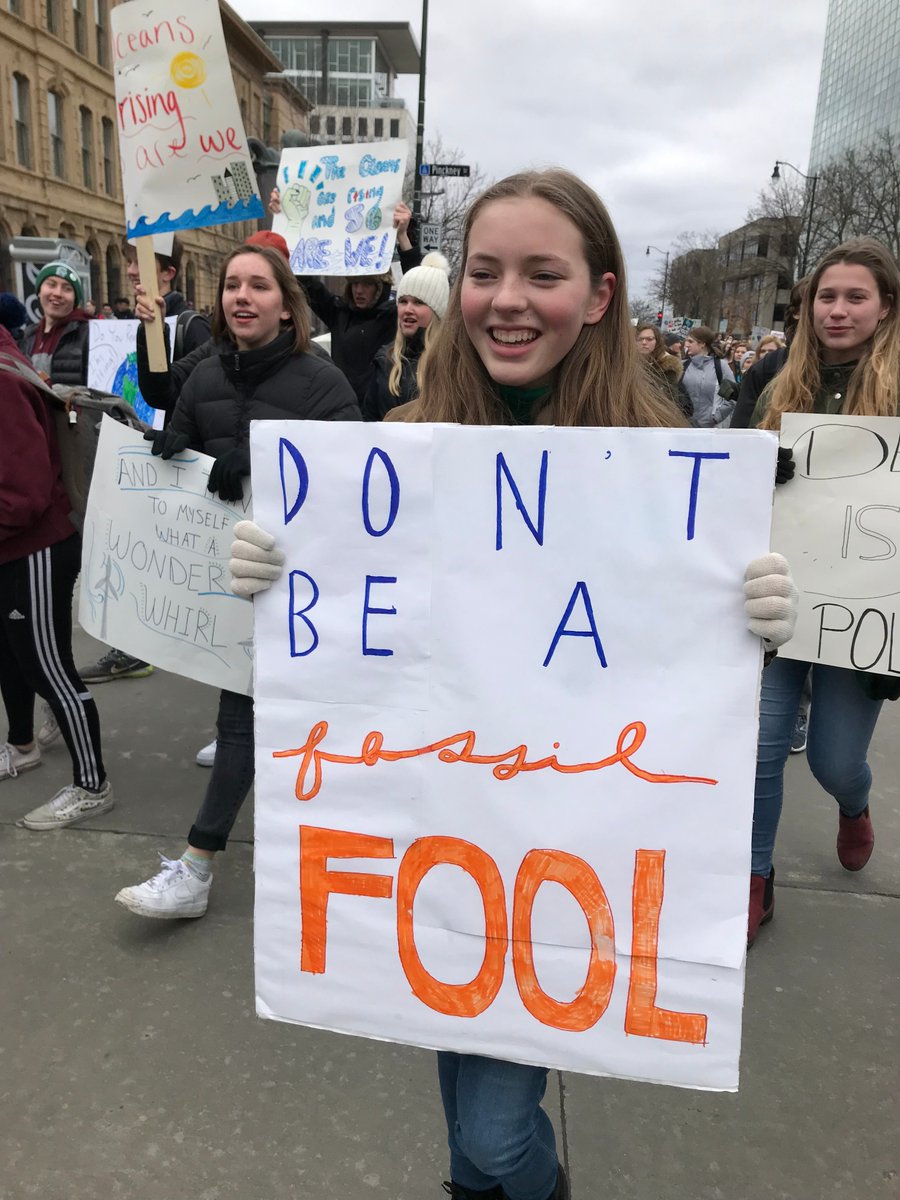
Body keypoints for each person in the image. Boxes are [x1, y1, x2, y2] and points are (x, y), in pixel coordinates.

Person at [229, 169, 799, 1200]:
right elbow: (356, 635)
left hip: (567, 844)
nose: (507, 299)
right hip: (440, 833)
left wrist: (747, 619)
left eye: (543, 274)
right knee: (461, 1079)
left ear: (600, 294)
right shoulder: (404, 442)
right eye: (486, 272)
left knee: (497, 1135)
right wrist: (278, 571)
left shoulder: (659, 460)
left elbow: (674, 676)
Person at [114, 243, 360, 920]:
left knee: (321, 728)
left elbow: (355, 482)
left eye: (258, 285)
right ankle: (198, 867)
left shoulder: (324, 384)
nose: (242, 296)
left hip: (311, 591)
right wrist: (174, 453)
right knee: (240, 721)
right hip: (235, 590)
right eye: (231, 286)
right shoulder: (201, 376)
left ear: (287, 305)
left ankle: (338, 860)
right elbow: (183, 451)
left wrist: (265, 462)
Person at [746, 237, 900, 947]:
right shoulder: (776, 385)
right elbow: (727, 479)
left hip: (859, 613)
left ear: (885, 306)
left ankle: (854, 801)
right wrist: (759, 470)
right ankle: (754, 879)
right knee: (760, 749)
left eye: (854, 297)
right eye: (825, 297)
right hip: (777, 605)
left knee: (835, 758)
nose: (837, 311)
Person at [77, 234, 213, 687]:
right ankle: (135, 647)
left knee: (162, 563)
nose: (132, 271)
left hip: (172, 462)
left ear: (168, 274)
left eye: (141, 264)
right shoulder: (129, 323)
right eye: (131, 264)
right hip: (136, 452)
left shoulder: (192, 327)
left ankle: (171, 643)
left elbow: (184, 395)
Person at [0, 327, 113, 828]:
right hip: (13, 547)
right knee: (10, 656)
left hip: (37, 548)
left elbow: (23, 497)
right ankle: (22, 745)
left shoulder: (3, 382)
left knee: (50, 669)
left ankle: (93, 785)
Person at [269, 191, 422, 403]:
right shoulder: (339, 313)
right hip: (342, 407)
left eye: (367, 284)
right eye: (355, 283)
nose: (359, 290)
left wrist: (403, 236)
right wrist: (286, 221)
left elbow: (416, 285)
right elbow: (305, 281)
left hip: (379, 412)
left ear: (380, 287)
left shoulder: (392, 316)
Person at [363, 252, 451, 421]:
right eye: (403, 301)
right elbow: (369, 421)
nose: (408, 309)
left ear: (437, 311)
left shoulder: (452, 363)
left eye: (418, 302)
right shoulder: (385, 360)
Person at [17, 262, 90, 386]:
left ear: (75, 300)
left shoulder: (88, 335)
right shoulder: (26, 336)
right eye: (51, 284)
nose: (57, 293)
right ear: (39, 292)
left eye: (67, 289)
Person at [681, 326, 736, 427]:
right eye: (686, 341)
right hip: (683, 427)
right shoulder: (682, 366)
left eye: (690, 341)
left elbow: (732, 397)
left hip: (711, 429)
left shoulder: (721, 366)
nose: (686, 344)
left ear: (702, 344)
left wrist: (716, 417)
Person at [634, 322, 691, 418]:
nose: (644, 342)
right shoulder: (627, 366)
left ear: (657, 342)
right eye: (639, 339)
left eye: (649, 339)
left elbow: (680, 404)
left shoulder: (668, 368)